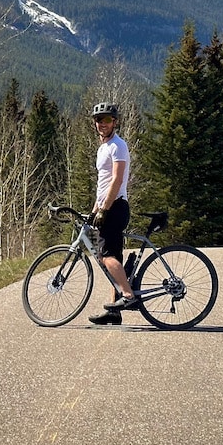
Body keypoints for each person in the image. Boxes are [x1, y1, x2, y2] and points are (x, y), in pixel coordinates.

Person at [87, 102, 139, 326]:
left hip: (116, 207)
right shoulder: (103, 148)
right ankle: (114, 311)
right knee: (108, 258)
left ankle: (128, 296)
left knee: (107, 257)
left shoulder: (118, 146)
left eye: (107, 119)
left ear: (115, 122)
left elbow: (117, 180)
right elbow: (103, 184)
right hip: (106, 206)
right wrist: (94, 211)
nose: (102, 123)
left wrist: (105, 209)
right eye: (99, 120)